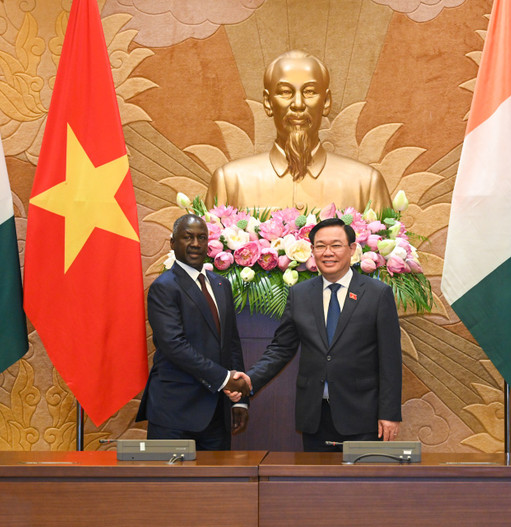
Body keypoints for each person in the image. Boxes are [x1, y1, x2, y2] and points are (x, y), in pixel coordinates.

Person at [229, 218, 402, 452]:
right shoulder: (300, 294)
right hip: (315, 416)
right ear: (312, 251)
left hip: (363, 416)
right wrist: (250, 380)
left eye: (336, 245)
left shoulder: (377, 294)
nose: (327, 253)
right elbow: (281, 348)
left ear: (352, 249)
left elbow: (390, 360)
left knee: (361, 487)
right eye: (320, 246)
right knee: (317, 487)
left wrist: (389, 414)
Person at [205, 50, 392, 212]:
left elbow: (387, 248)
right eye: (285, 92)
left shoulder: (366, 184)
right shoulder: (230, 182)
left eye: (309, 92)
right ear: (268, 103)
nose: (298, 104)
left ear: (326, 102)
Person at [136, 214, 250, 449]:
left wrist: (240, 401)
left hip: (217, 413)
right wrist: (225, 379)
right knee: (172, 486)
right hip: (174, 413)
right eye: (188, 237)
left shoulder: (221, 285)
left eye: (201, 237)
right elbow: (174, 345)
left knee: (215, 485)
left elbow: (231, 343)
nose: (196, 244)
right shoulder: (164, 287)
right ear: (173, 243)